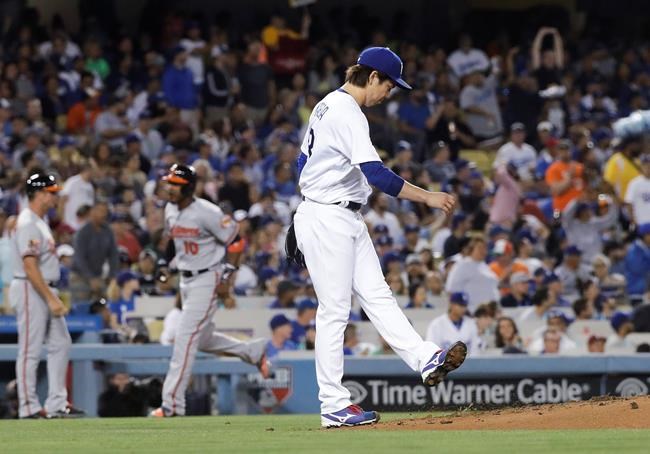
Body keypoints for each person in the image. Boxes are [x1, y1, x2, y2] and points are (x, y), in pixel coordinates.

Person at [290, 47, 465, 428]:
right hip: (328, 215)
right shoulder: (347, 112)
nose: (390, 93)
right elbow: (378, 176)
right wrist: (428, 197)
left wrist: (308, 200)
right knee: (334, 310)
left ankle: (425, 358)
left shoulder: (325, 105)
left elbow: (302, 161)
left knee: (377, 294)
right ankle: (333, 404)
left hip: (339, 213)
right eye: (388, 85)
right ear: (371, 77)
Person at [150, 164, 270, 418]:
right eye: (169, 183)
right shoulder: (170, 209)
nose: (170, 188)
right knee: (201, 338)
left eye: (176, 185)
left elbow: (237, 241)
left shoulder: (207, 212)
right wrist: (164, 264)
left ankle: (172, 406)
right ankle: (252, 352)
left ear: (189, 187)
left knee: (184, 340)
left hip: (208, 277)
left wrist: (227, 275)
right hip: (185, 278)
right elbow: (173, 240)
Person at [11, 173, 84, 418]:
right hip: (30, 287)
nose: (55, 197)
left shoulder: (40, 221)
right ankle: (28, 406)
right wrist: (51, 298)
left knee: (61, 343)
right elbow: (29, 265)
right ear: (39, 194)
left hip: (43, 287)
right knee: (30, 349)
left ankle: (56, 403)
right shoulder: (28, 222)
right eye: (51, 192)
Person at [445, 237, 500, 313]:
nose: (483, 251)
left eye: (485, 248)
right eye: (480, 248)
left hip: (490, 311)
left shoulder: (485, 266)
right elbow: (451, 289)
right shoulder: (462, 265)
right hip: (471, 311)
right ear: (471, 249)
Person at [624, 153, 650, 225]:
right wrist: (633, 219)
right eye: (646, 165)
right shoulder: (635, 183)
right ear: (641, 166)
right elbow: (629, 203)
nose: (648, 167)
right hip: (643, 221)